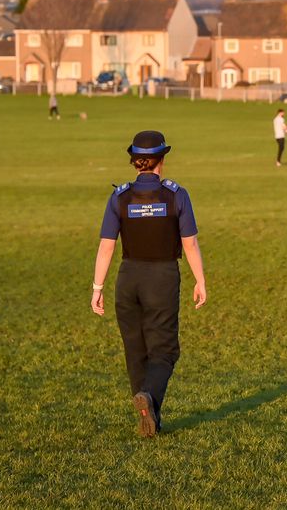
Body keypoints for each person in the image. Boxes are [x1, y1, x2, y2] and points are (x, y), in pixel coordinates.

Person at [90, 130, 208, 437]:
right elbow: (190, 244)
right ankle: (150, 400)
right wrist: (200, 280)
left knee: (135, 350)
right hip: (162, 277)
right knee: (165, 351)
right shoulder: (176, 195)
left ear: (134, 161)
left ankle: (149, 417)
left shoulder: (120, 196)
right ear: (162, 158)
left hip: (127, 278)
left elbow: (106, 246)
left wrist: (97, 288)